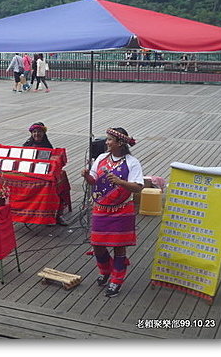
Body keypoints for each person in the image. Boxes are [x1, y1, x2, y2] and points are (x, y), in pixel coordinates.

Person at [81, 128, 143, 297]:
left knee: (119, 248)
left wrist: (120, 182)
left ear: (120, 143)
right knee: (97, 244)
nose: (106, 142)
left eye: (109, 140)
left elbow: (138, 187)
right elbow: (94, 179)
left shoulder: (132, 162)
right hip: (101, 208)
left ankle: (117, 280)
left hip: (122, 210)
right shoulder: (101, 158)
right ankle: (106, 270)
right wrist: (87, 176)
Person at [23, 122, 71, 225]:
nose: (36, 134)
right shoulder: (27, 145)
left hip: (44, 174)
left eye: (39, 132)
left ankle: (57, 215)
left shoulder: (48, 146)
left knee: (55, 188)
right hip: (30, 173)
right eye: (34, 132)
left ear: (43, 133)